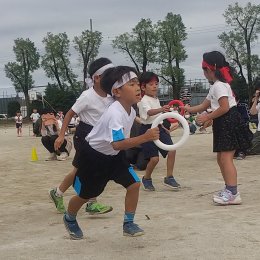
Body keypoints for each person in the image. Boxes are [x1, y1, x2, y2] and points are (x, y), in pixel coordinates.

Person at [62, 66, 159, 239]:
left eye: (138, 82)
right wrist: (145, 137)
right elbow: (117, 144)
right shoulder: (115, 112)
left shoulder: (130, 109)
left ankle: (128, 223)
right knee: (86, 195)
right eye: (131, 83)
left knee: (134, 184)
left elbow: (118, 147)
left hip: (115, 157)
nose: (138, 87)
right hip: (94, 158)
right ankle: (69, 217)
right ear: (117, 91)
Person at [184, 51, 252, 205]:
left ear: (211, 68)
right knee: (221, 158)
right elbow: (204, 105)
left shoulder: (220, 86)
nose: (203, 72)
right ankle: (229, 189)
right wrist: (187, 109)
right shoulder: (216, 86)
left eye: (204, 69)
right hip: (223, 122)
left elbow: (224, 107)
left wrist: (207, 117)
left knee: (226, 158)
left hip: (228, 121)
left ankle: (233, 192)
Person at [50, 58, 115, 215]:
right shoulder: (87, 96)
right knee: (85, 170)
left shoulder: (112, 95)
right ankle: (90, 203)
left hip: (100, 137)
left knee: (83, 170)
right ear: (97, 78)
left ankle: (58, 193)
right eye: (108, 74)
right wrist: (61, 135)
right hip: (84, 136)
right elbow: (69, 114)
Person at [137, 71, 180, 191]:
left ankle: (169, 177)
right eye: (151, 84)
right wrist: (161, 108)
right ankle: (147, 178)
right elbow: (149, 113)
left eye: (156, 83)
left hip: (159, 128)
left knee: (172, 150)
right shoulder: (143, 100)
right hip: (147, 130)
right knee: (154, 159)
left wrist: (164, 127)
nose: (155, 86)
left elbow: (158, 117)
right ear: (143, 87)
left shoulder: (155, 99)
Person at [247, 81, 260, 155]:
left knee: (250, 149)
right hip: (259, 131)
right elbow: (252, 112)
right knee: (249, 146)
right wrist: (255, 100)